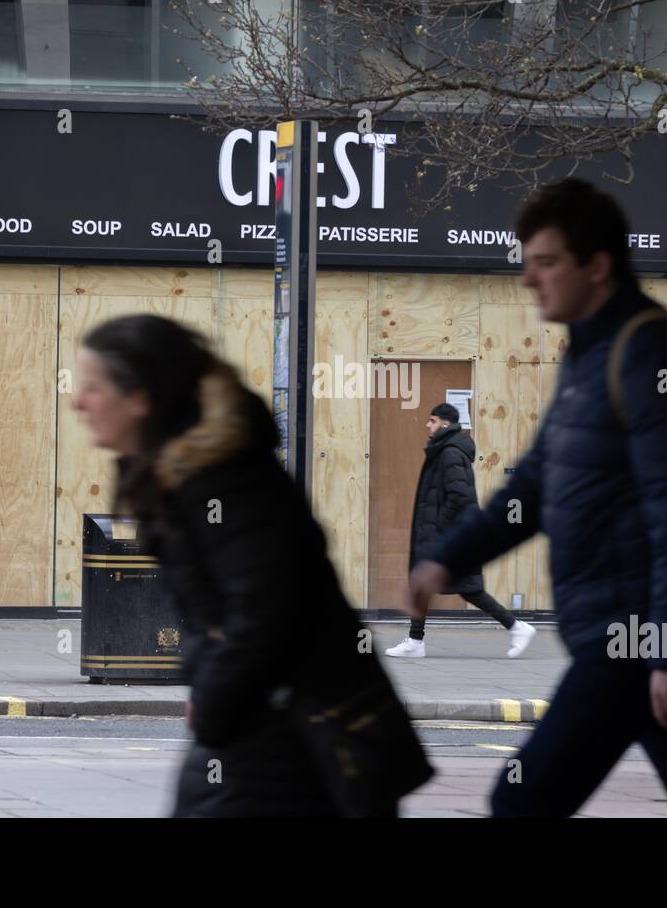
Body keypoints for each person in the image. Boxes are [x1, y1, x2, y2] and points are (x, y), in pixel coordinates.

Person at [408, 179, 667, 818]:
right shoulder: (591, 357)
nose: (529, 279)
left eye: (546, 263)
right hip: (632, 633)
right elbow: (537, 485)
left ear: (597, 266)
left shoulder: (651, 356)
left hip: (631, 635)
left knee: (522, 798)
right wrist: (444, 558)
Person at [74, 314, 431, 817]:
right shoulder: (179, 470)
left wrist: (216, 700)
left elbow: (267, 611)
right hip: (264, 727)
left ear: (139, 398)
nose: (77, 401)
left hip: (295, 736)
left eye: (92, 387)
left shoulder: (220, 478)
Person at [385, 403, 535, 659]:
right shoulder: (444, 451)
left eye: (432, 421)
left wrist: (438, 528)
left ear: (445, 423)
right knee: (428, 583)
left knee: (466, 588)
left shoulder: (450, 453)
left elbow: (460, 496)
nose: (427, 425)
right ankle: (415, 641)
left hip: (448, 534)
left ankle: (517, 627)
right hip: (447, 533)